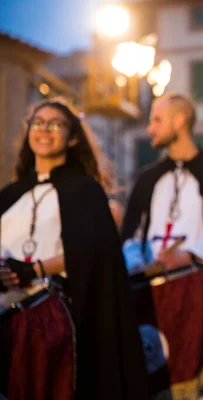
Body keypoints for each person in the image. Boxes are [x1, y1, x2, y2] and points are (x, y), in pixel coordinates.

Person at [0, 98, 149, 399]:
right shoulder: (10, 194)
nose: (44, 130)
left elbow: (93, 254)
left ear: (73, 138)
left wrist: (33, 269)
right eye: (37, 123)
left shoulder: (85, 191)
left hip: (56, 321)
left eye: (56, 124)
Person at [121, 92, 203, 275]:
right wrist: (138, 266)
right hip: (149, 291)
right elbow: (131, 235)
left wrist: (190, 256)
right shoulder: (147, 179)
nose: (150, 129)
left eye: (157, 120)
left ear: (180, 121)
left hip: (199, 288)